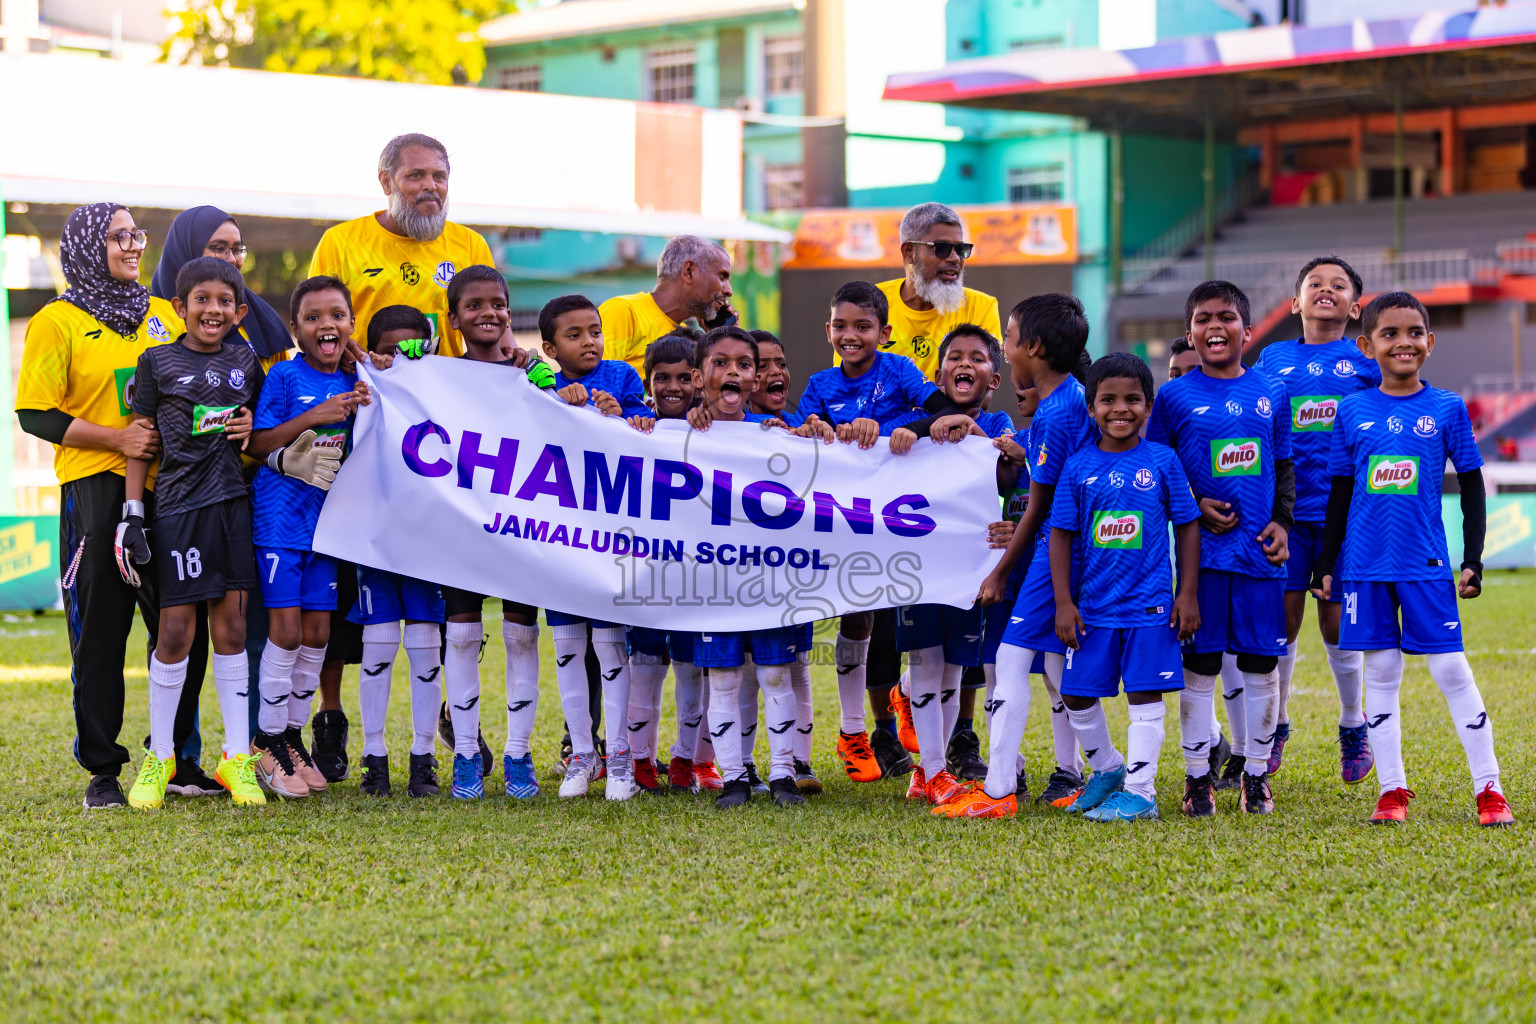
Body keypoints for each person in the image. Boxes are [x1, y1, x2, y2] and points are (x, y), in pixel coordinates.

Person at [306, 133, 502, 775]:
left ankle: (451, 707)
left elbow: (477, 333)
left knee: (444, 575)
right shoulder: (343, 242)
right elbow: (320, 324)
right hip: (359, 423)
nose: (431, 187)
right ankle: (331, 717)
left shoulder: (468, 245)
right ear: (386, 180)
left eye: (440, 176)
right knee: (342, 570)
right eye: (417, 176)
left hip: (438, 438)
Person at [13, 202, 203, 809]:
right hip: (95, 489)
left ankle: (170, 755)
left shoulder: (161, 313)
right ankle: (102, 769)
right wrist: (118, 439)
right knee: (99, 632)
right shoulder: (57, 320)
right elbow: (35, 413)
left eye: (136, 234)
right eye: (119, 236)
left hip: (169, 487)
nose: (132, 245)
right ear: (89, 245)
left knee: (179, 623)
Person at [1313, 292, 1513, 827]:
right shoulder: (1351, 410)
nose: (1403, 342)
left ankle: (1489, 790)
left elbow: (1471, 486)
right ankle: (1392, 791)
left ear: (1430, 340)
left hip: (1424, 564)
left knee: (1451, 668)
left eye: (1413, 332)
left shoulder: (1446, 408)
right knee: (1380, 673)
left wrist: (1473, 557)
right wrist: (1326, 563)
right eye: (1389, 334)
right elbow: (1338, 492)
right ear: (1367, 345)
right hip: (1362, 568)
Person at [794, 281, 964, 785]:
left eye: (863, 326)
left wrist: (904, 429)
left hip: (908, 520)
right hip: (849, 522)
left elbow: (944, 411)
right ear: (828, 330)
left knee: (917, 611)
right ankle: (852, 732)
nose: (851, 336)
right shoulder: (819, 385)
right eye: (841, 326)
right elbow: (804, 435)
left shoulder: (898, 370)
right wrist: (819, 431)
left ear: (884, 333)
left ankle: (907, 692)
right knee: (857, 615)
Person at [419, 270, 578, 801]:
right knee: (461, 636)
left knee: (519, 635)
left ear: (510, 313)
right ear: (454, 318)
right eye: (474, 305)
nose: (488, 313)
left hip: (518, 528)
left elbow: (563, 433)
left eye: (499, 304)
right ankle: (466, 754)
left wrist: (562, 393)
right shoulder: (438, 373)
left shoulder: (531, 374)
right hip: (461, 527)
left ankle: (517, 754)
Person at [120, 257, 266, 809]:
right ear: (180, 308)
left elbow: (250, 436)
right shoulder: (156, 361)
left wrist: (251, 427)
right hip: (179, 508)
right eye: (201, 299)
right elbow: (140, 439)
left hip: (232, 505)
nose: (214, 309)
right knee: (176, 631)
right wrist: (133, 512)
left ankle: (235, 758)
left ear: (239, 311)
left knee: (230, 628)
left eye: (224, 301)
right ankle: (162, 756)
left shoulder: (245, 361)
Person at [1146, 281, 1293, 816]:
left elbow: (1284, 465)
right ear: (1190, 333)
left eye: (1226, 317)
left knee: (1260, 666)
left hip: (1258, 555)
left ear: (1247, 332)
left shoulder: (1272, 392)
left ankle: (1255, 776)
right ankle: (1197, 778)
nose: (1215, 326)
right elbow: (1158, 471)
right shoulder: (1173, 397)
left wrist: (1282, 520)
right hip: (1199, 560)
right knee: (1200, 666)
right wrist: (1193, 505)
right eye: (1204, 318)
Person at [945, 294, 1095, 819]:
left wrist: (999, 570)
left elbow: (1041, 505)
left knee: (1010, 660)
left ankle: (999, 791)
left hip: (1056, 549)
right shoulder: (1071, 398)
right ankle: (1101, 770)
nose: (1005, 350)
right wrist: (1019, 443)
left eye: (1008, 339)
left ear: (1033, 347)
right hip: (1074, 548)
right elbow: (1057, 447)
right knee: (1057, 667)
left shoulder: (1056, 411)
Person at [1039, 353, 1202, 822]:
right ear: (1091, 408)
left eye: (1133, 399)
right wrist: (1065, 602)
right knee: (1075, 693)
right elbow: (1062, 537)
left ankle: (1142, 791)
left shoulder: (1162, 460)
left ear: (1149, 407)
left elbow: (1188, 526)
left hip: (1150, 609)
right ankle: (1109, 769)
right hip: (1093, 608)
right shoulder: (1076, 467)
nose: (1120, 408)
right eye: (1107, 399)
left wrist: (1185, 593)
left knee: (1144, 695)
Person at [1252, 257, 1380, 783]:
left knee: (1335, 620)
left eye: (1338, 286)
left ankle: (1354, 724)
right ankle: (1276, 724)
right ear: (1296, 302)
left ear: (1355, 307)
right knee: (1282, 621)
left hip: (1342, 517)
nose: (1325, 291)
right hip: (1283, 515)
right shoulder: (1272, 359)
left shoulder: (1367, 364)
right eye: (1314, 284)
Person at [244, 276, 372, 798]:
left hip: (328, 526)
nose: (327, 325)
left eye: (337, 315)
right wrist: (313, 417)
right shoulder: (281, 376)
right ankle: (267, 739)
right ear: (295, 328)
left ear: (350, 324)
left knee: (319, 634)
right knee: (287, 632)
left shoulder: (359, 377)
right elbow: (255, 441)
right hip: (280, 520)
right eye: (314, 317)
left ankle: (292, 736)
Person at [886, 324, 1014, 809]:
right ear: (938, 375)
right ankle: (937, 771)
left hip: (972, 569)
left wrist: (973, 432)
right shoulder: (911, 423)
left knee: (954, 672)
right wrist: (910, 433)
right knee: (926, 661)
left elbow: (1011, 474)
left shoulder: (1001, 426)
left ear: (993, 378)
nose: (965, 363)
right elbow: (878, 467)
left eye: (978, 357)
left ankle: (926, 770)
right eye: (954, 357)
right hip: (918, 568)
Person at [684, 326, 806, 809]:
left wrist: (808, 434)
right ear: (699, 377)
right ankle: (733, 776)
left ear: (756, 379)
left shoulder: (782, 434)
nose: (732, 372)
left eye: (743, 365)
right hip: (712, 582)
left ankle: (782, 775)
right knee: (724, 679)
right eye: (720, 363)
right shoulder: (680, 432)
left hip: (770, 579)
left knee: (776, 673)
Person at [350, 305, 449, 798]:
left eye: (413, 348)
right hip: (376, 535)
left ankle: (422, 757)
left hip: (426, 536)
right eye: (390, 349)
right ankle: (374, 757)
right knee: (379, 646)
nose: (401, 359)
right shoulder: (362, 384)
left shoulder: (442, 390)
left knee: (427, 648)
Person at [624, 331, 706, 794]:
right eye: (661, 378)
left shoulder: (715, 431)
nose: (672, 387)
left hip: (698, 576)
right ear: (647, 381)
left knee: (692, 671)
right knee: (645, 670)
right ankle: (641, 760)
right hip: (646, 574)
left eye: (682, 377)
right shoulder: (635, 429)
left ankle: (684, 758)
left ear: (698, 379)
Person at [150, 205, 293, 371]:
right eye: (219, 248)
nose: (232, 259)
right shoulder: (151, 320)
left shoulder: (259, 318)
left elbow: (284, 388)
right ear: (187, 251)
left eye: (237, 250)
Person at [875, 203, 1001, 380]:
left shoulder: (981, 307)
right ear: (909, 252)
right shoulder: (870, 304)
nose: (955, 258)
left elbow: (983, 392)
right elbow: (851, 386)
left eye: (960, 249)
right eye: (941, 248)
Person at [598, 235, 736, 375]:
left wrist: (722, 340)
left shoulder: (687, 338)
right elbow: (595, 384)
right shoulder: (624, 312)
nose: (728, 291)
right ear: (689, 272)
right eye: (722, 277)